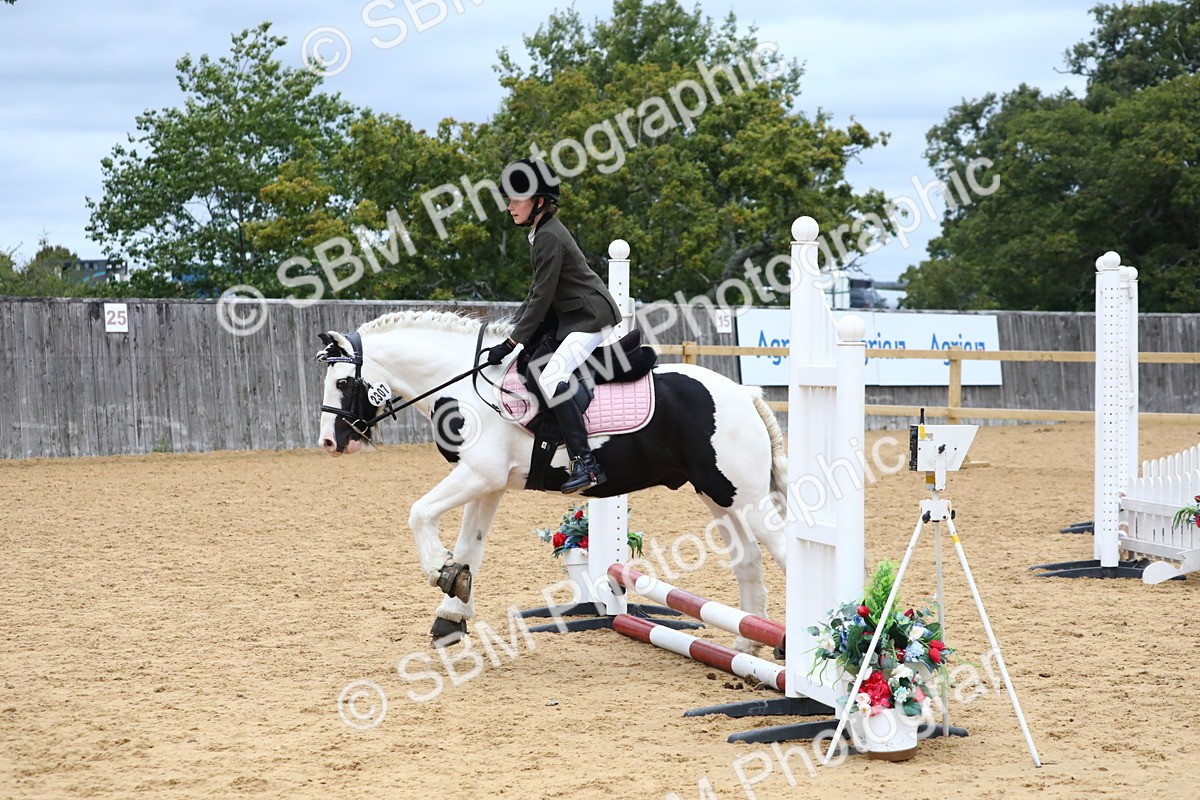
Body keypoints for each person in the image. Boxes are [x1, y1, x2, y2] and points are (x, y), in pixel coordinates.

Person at [486, 158, 621, 493]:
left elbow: (542, 297)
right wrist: (513, 330)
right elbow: (536, 293)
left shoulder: (549, 237)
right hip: (572, 317)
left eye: (517, 199)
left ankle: (586, 464)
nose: (510, 206)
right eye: (509, 199)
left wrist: (512, 342)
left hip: (590, 318)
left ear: (540, 202)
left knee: (552, 376)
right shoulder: (540, 233)